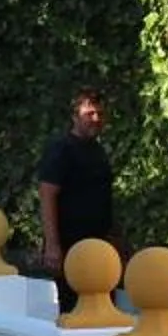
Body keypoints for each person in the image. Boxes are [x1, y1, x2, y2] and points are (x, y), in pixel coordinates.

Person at [36, 87, 118, 311]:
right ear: (75, 116)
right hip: (70, 245)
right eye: (89, 114)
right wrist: (52, 245)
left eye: (100, 114)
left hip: (100, 245)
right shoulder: (61, 149)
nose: (96, 119)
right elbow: (47, 194)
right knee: (74, 307)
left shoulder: (98, 150)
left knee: (104, 305)